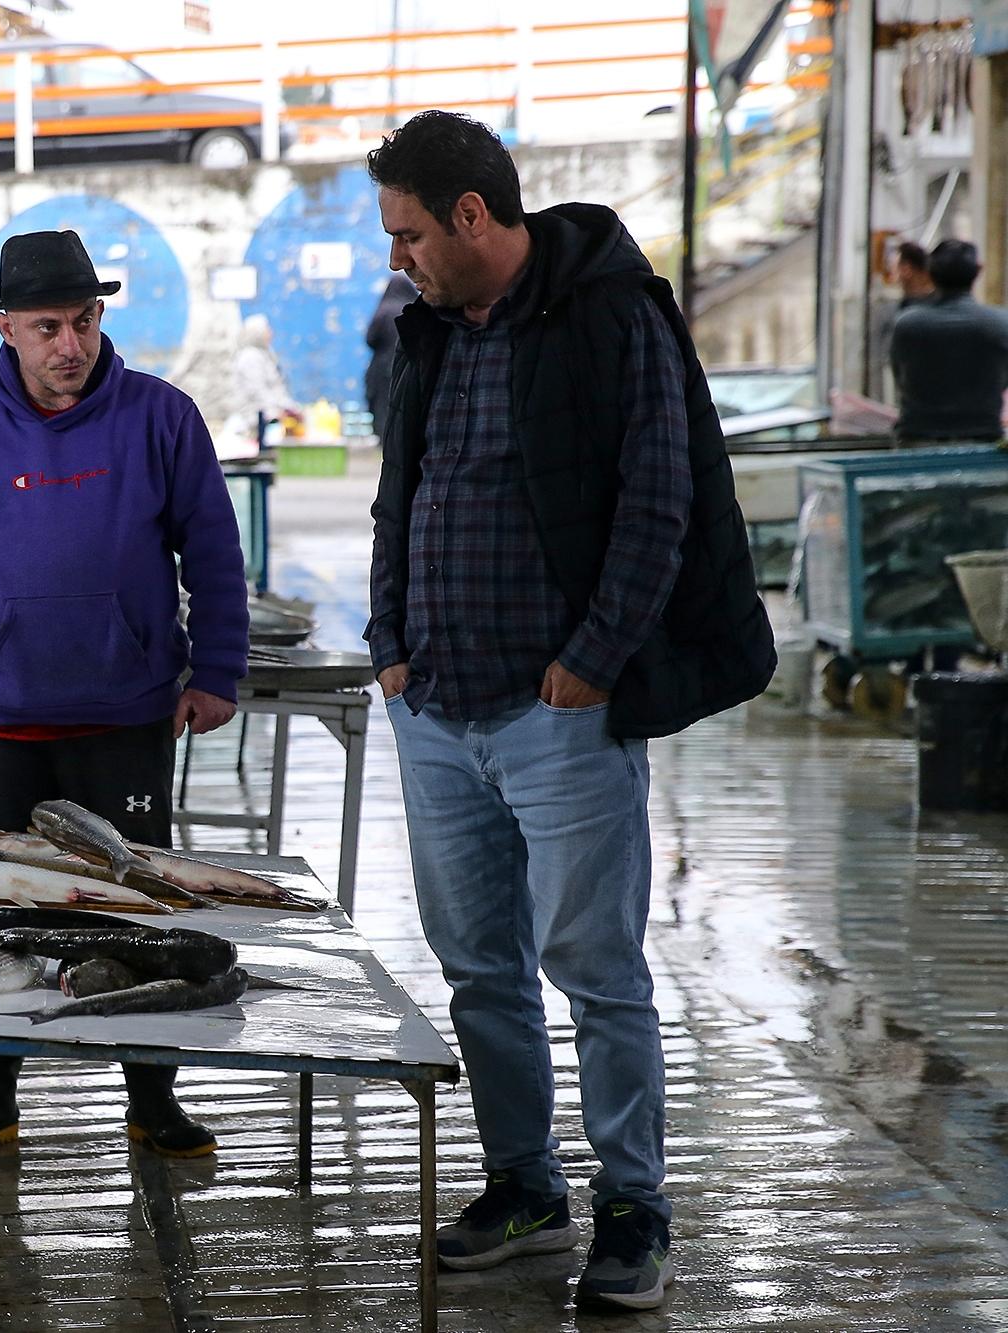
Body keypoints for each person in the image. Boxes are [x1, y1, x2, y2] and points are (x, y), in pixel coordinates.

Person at [362, 111, 774, 1312]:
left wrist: (593, 660)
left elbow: (658, 501)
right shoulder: (431, 331)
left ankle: (632, 1207)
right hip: (436, 709)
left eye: (407, 234)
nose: (398, 257)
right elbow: (402, 493)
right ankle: (523, 1185)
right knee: (477, 968)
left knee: (593, 965)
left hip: (559, 718)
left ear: (471, 216)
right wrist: (389, 648)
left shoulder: (609, 314)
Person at [0, 229, 251, 1163]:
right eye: (47, 327)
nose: (70, 344)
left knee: (137, 910)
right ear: (6, 327)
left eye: (83, 321)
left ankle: (154, 1101)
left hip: (126, 716)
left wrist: (217, 669)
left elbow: (213, 547)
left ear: (99, 315)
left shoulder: (162, 417)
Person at [890, 239, 1008, 443]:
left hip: (918, 442)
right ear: (978, 271)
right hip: (983, 441)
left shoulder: (907, 324)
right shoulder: (1001, 324)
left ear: (929, 273)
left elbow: (901, 378)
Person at [226, 313, 300, 446]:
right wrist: (279, 411)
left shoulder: (265, 354)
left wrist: (290, 408)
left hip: (269, 416)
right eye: (267, 329)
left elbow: (276, 389)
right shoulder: (249, 357)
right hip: (255, 421)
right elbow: (258, 391)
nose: (271, 333)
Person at [363, 272, 419, 443]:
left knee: (383, 408)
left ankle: (386, 442)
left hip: (382, 370)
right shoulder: (415, 310)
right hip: (411, 369)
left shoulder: (384, 311)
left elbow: (370, 339)